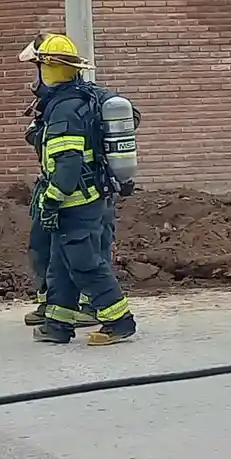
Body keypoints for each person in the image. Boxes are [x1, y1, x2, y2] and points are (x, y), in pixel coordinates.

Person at [19, 34, 137, 346]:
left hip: (76, 202)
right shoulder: (76, 99)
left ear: (47, 69)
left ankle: (119, 321)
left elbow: (68, 166)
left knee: (84, 263)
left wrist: (50, 201)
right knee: (60, 265)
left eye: (36, 68)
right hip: (82, 199)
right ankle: (57, 325)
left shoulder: (64, 110)